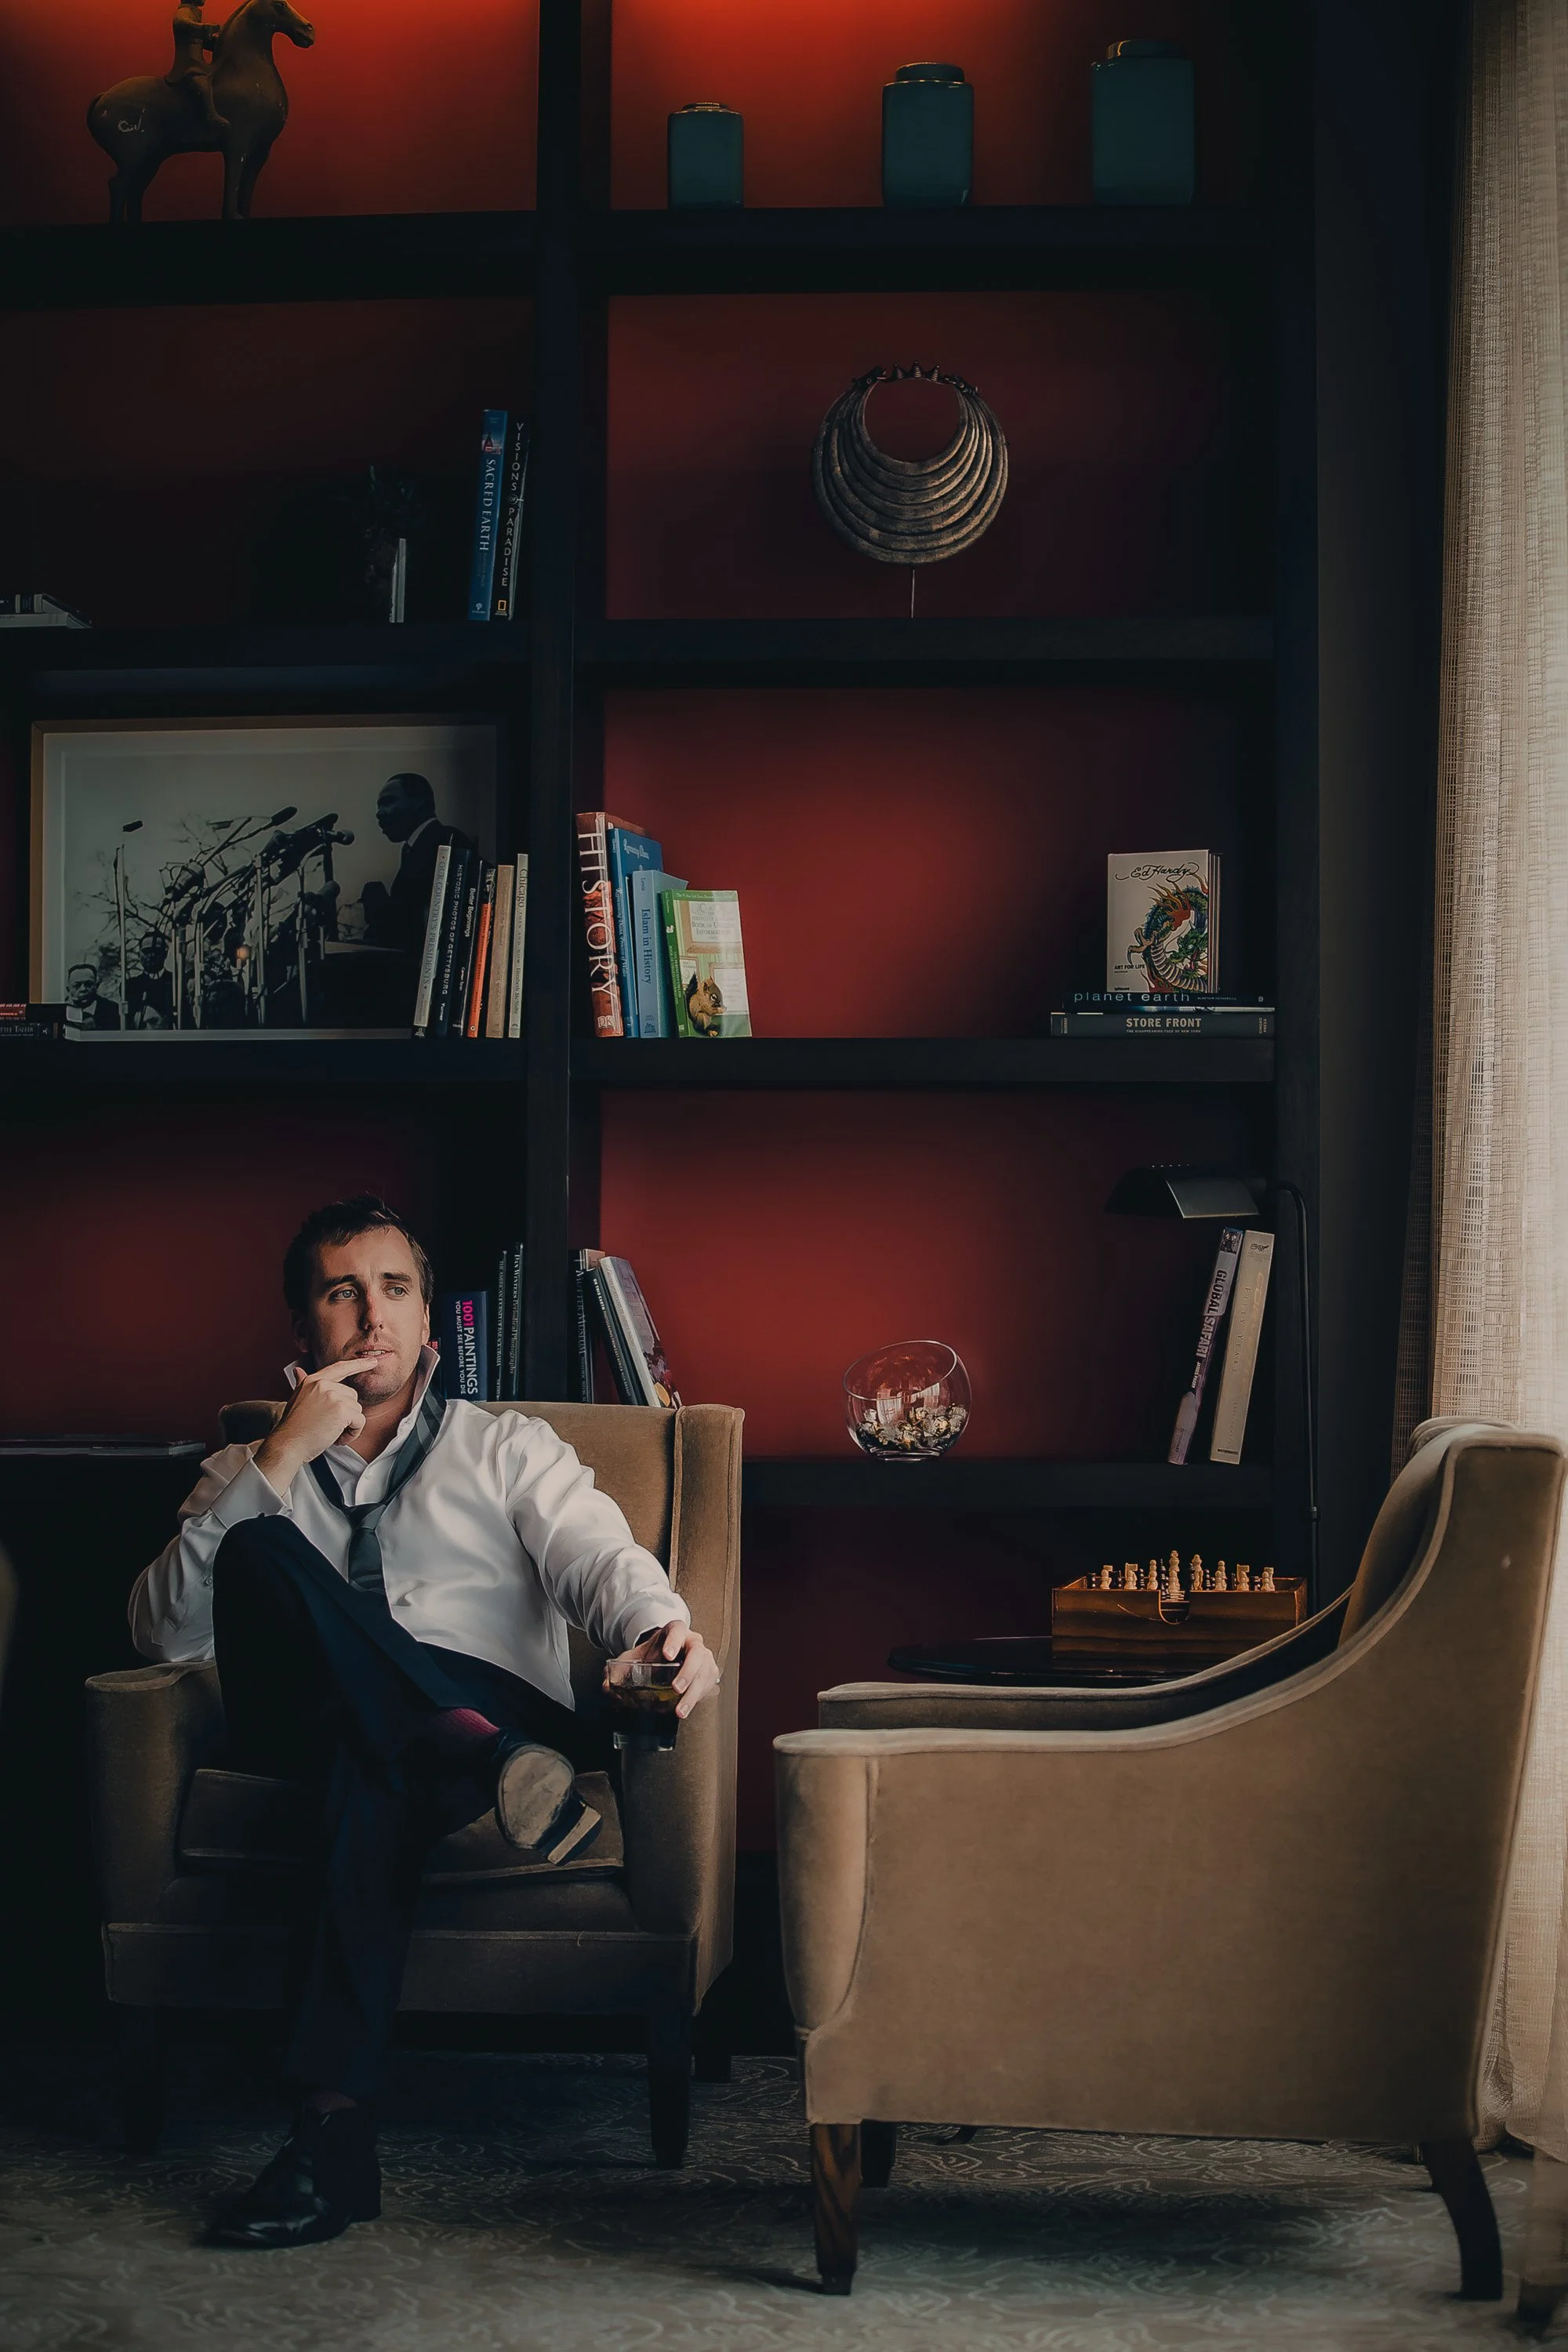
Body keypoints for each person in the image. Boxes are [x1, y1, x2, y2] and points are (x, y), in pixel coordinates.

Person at [131, 1194, 719, 2251]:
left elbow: (599, 1559)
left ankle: (331, 2140)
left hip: (482, 1707)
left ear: (429, 1326)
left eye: (394, 1289)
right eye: (342, 1292)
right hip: (333, 1731)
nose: (372, 1316)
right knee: (266, 1556)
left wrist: (657, 1631)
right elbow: (161, 1638)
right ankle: (467, 1749)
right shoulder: (245, 1474)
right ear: (301, 1337)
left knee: (381, 1758)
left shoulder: (507, 1449)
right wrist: (276, 1465)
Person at [359, 773, 474, 961]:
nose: (379, 813)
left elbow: (420, 931)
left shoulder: (446, 841)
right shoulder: (414, 848)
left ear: (419, 801)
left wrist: (377, 905)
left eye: (388, 802)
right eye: (379, 806)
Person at [165, 0, 227, 134]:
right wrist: (205, 28)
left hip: (198, 62)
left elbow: (201, 41)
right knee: (202, 84)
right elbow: (183, 23)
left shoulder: (195, 13)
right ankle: (212, 116)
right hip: (188, 63)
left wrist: (219, 43)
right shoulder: (184, 12)